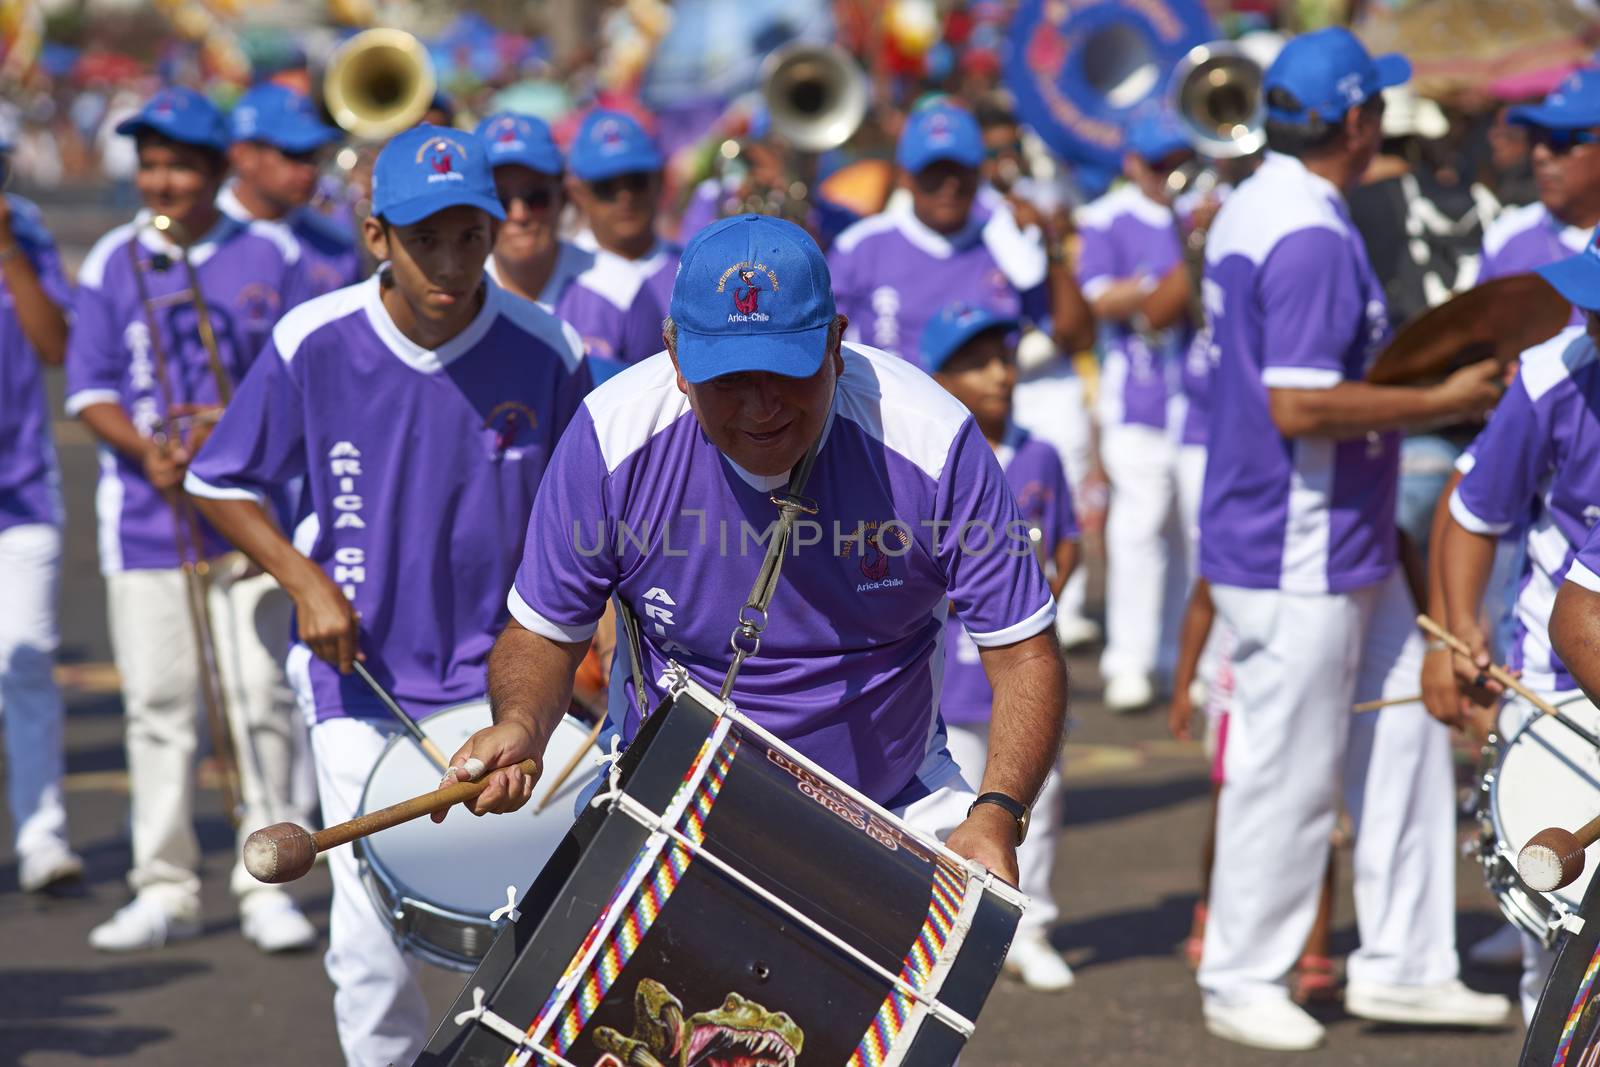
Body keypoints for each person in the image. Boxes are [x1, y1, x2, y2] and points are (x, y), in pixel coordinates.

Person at [440, 215, 1068, 909]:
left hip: (892, 799)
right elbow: (542, 634)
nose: (762, 406)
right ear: (676, 359)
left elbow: (1025, 652)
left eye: (785, 371)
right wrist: (523, 725)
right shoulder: (607, 437)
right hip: (664, 794)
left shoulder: (934, 439)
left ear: (835, 341)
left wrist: (998, 811)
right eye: (729, 379)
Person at [184, 124, 589, 1067]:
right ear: (376, 238)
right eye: (424, 239)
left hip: (509, 686)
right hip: (356, 677)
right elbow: (220, 482)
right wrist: (304, 577)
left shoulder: (550, 347)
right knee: (372, 937)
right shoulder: (312, 340)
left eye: (470, 235)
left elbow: (593, 507)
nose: (450, 263)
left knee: (535, 909)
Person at [1193, 29, 1511, 1050]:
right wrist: (1437, 398)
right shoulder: (1308, 229)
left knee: (1411, 722)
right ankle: (1243, 973)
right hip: (1297, 540)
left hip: (1323, 534)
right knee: (1287, 765)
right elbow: (1296, 404)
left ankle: (1405, 962)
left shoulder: (1265, 202)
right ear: (1359, 121)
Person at [65, 86, 320, 955]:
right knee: (160, 704)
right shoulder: (111, 259)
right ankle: (164, 885)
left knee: (259, 699)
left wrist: (230, 432)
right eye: (151, 163)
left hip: (249, 523)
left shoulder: (272, 253)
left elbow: (297, 385)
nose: (162, 181)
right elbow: (90, 388)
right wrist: (148, 450)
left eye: (179, 164)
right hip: (144, 516)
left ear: (216, 170)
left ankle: (268, 884)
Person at [828, 101, 1098, 645]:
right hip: (885, 452)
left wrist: (1046, 246)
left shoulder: (1004, 241)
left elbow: (1076, 334)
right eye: (933, 172)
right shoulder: (862, 247)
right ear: (906, 175)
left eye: (960, 171)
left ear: (980, 172)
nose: (948, 185)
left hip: (983, 453)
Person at [1437, 231, 1600, 1022]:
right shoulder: (1550, 377)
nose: (1589, 322)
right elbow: (1471, 512)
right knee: (1565, 963)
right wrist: (1456, 630)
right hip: (1555, 691)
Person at [923, 301, 1078, 991]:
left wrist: (1046, 592)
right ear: (942, 377)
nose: (1000, 375)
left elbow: (1066, 536)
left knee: (1031, 798)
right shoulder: (928, 458)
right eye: (977, 364)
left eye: (1006, 359)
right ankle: (945, 931)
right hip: (951, 677)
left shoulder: (1040, 451)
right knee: (952, 804)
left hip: (1023, 664)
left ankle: (1030, 924)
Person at [1075, 110, 1196, 713]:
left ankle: (1177, 658)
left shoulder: (1205, 207)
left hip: (1200, 400)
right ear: (1131, 165)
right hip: (1136, 401)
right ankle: (1130, 657)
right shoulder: (1106, 218)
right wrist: (1172, 280)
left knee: (1191, 533)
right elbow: (1099, 297)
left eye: (1179, 162)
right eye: (1158, 164)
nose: (1170, 175)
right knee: (1139, 530)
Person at [0, 131, 80, 893]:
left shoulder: (23, 229)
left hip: (20, 491)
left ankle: (42, 836)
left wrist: (9, 253)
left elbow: (56, 343)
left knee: (26, 660)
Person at [477, 111, 662, 370]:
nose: (519, 214)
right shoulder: (461, 298)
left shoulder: (623, 289)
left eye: (536, 197)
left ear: (563, 198)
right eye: (499, 199)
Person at [222, 82, 360, 295]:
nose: (309, 170)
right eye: (293, 154)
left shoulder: (337, 244)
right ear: (243, 155)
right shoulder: (201, 236)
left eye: (313, 155)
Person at [566, 108, 679, 316]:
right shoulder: (560, 279)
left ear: (660, 180)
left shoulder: (693, 269)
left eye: (636, 181)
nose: (624, 197)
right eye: (605, 186)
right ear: (578, 193)